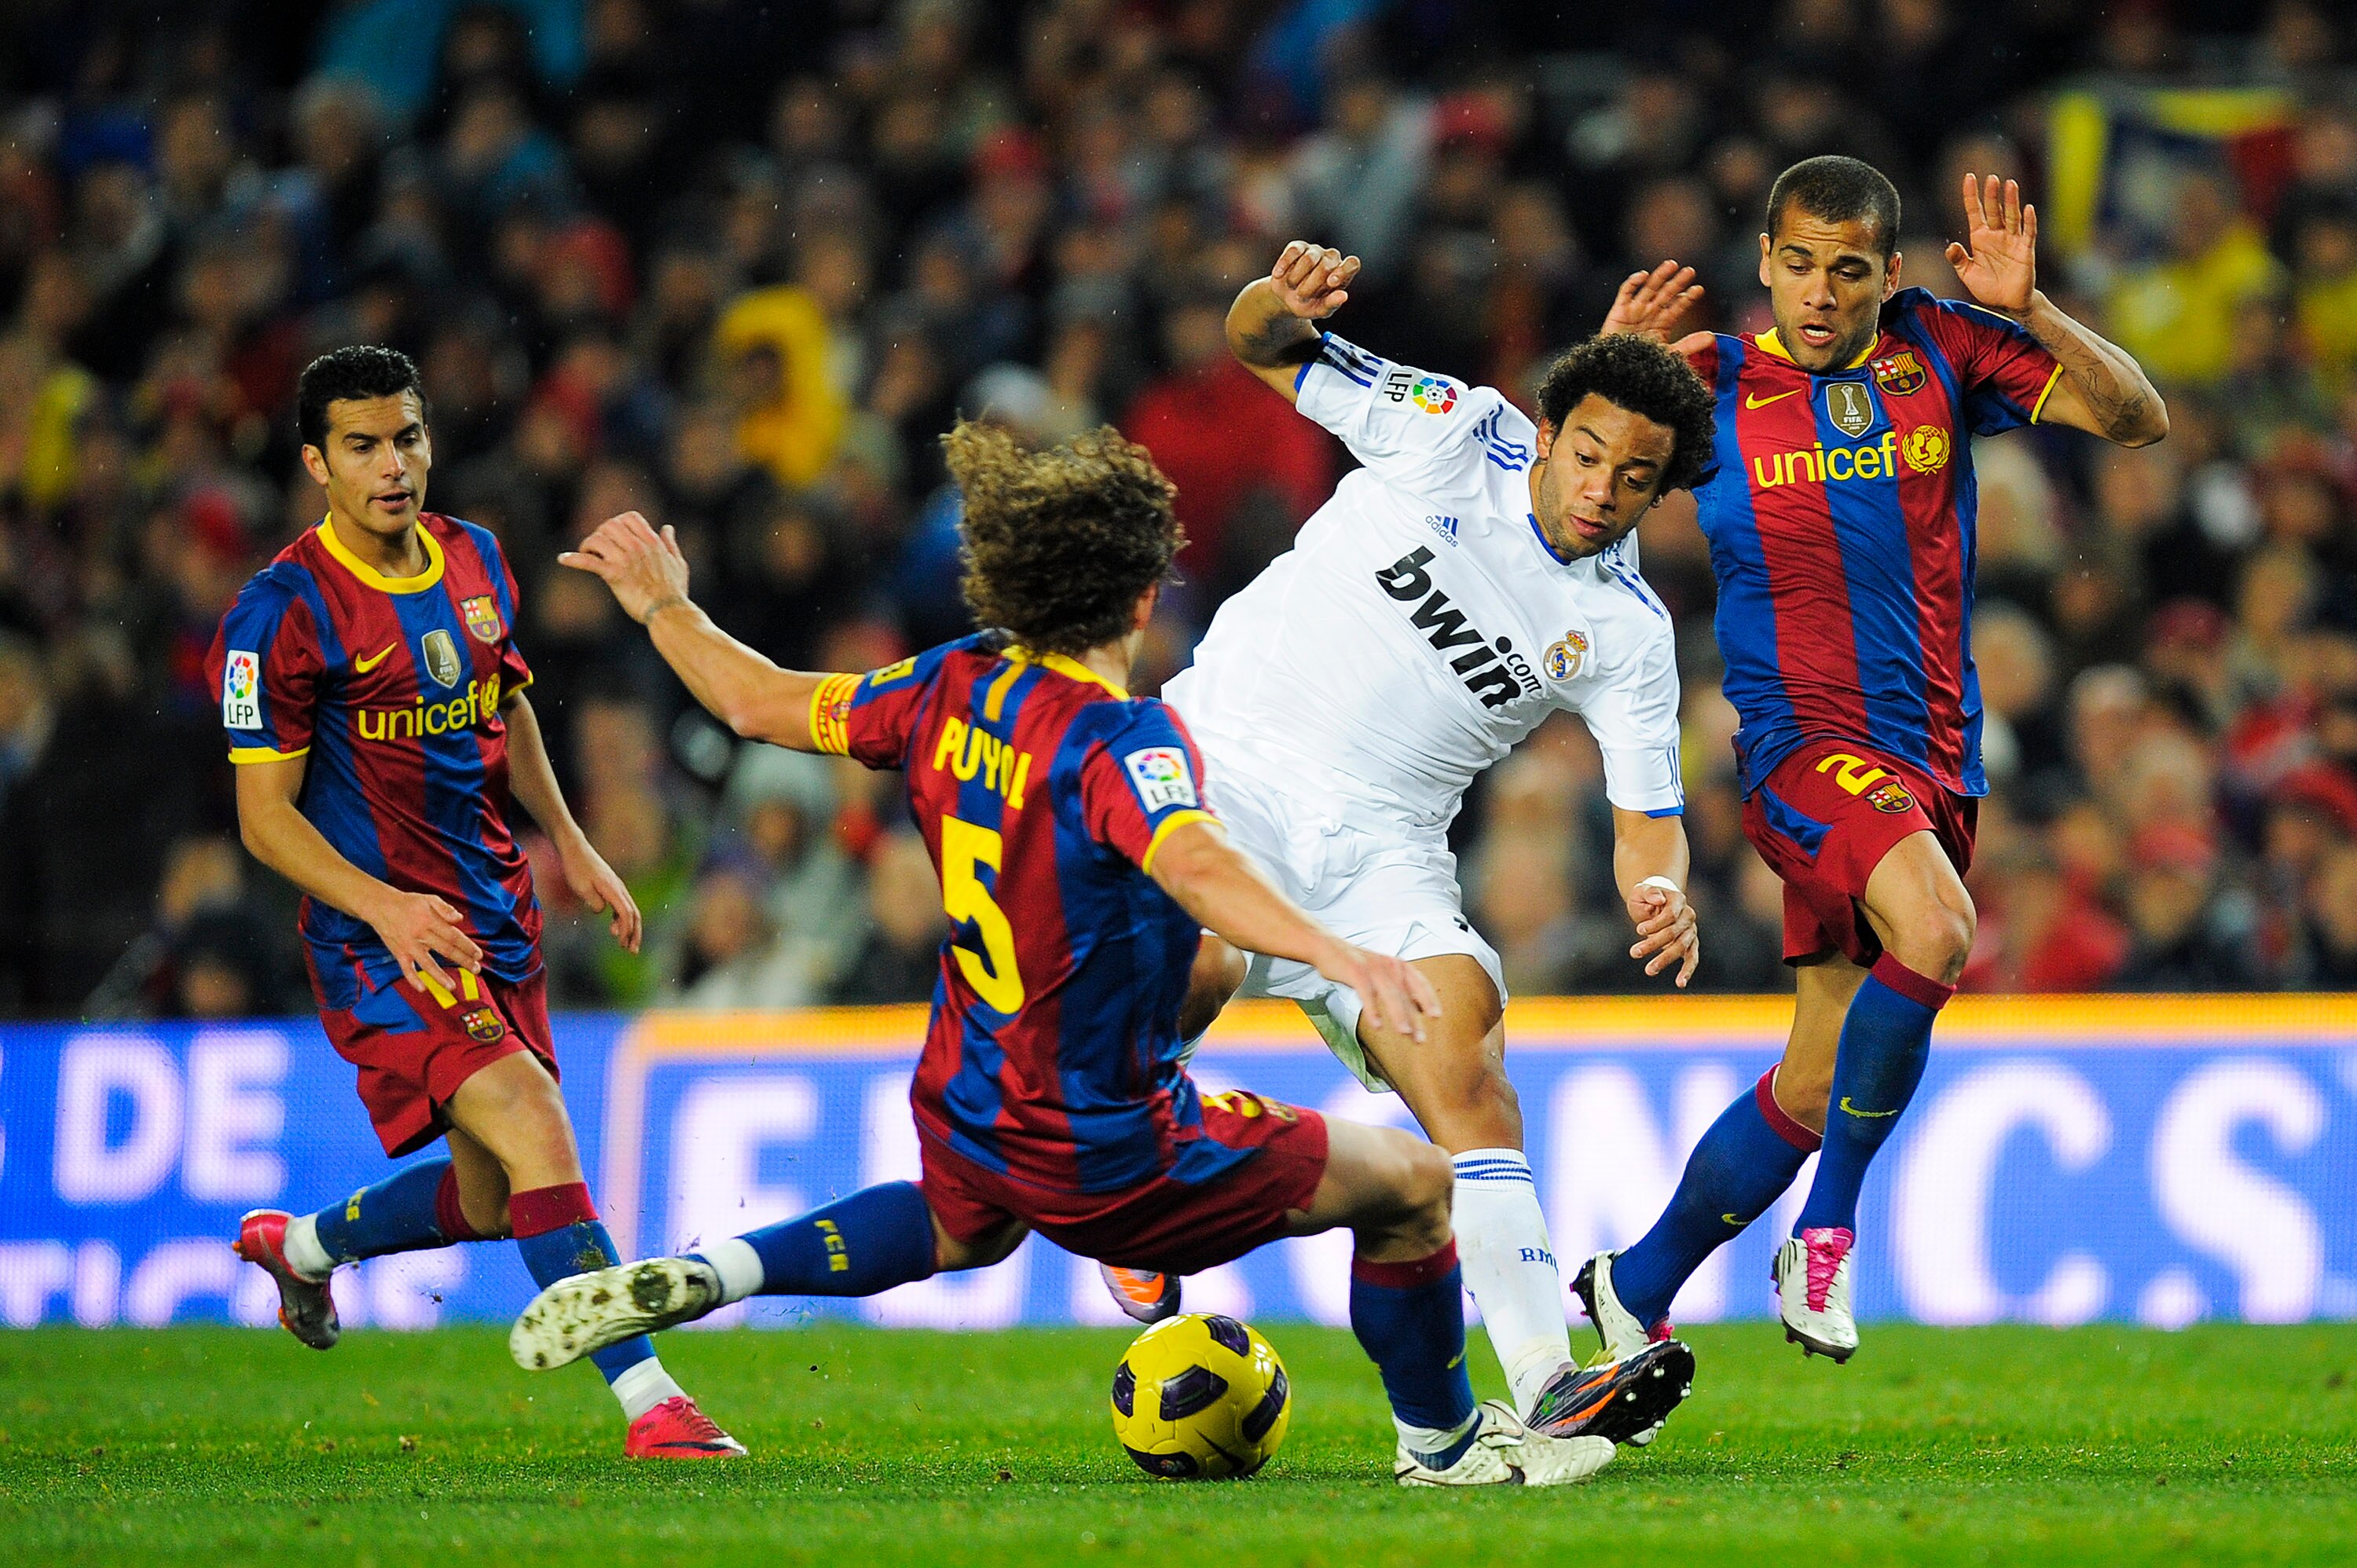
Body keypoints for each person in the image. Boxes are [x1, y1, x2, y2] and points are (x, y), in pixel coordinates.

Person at [527, 420, 1695, 1485]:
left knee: (960, 1225)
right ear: (1142, 598)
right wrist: (1335, 954)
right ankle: (1445, 1448)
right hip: (1110, 1145)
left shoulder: (947, 682)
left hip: (971, 1097)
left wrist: (663, 604)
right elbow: (1197, 865)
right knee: (1413, 1190)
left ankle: (709, 1275)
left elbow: (762, 704)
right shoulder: (1123, 742)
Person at [1103, 240, 1717, 1438]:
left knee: (1465, 1066)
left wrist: (1663, 892)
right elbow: (1258, 345)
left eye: (1632, 479)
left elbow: (1649, 822)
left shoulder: (1628, 631)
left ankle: (1547, 1379)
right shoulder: (1454, 429)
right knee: (1198, 962)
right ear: (1546, 435)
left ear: (1658, 494)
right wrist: (1278, 303)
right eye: (1584, 454)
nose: (1597, 491)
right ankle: (1129, 1184)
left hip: (1382, 853)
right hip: (1225, 771)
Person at [1589, 159, 2167, 1370]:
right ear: (1763, 260)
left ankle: (1631, 1283)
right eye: (1798, 263)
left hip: (1933, 765)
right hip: (1802, 751)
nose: (1820, 293)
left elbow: (2135, 418)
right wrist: (1601, 374)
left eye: (1848, 270)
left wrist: (2036, 310)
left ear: (1887, 275)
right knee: (1942, 930)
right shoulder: (1709, 386)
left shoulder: (1943, 348)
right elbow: (1547, 491)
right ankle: (1829, 1234)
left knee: (1812, 1080)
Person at [211, 346, 742, 1460]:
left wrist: (576, 845)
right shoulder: (282, 611)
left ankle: (301, 1249)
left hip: (496, 916)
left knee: (499, 1199)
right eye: (362, 446)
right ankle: (655, 1405)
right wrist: (390, 912)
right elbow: (266, 821)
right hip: (383, 941)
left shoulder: (476, 556)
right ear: (317, 462)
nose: (392, 465)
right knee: (540, 1123)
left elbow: (508, 707)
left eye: (406, 437)